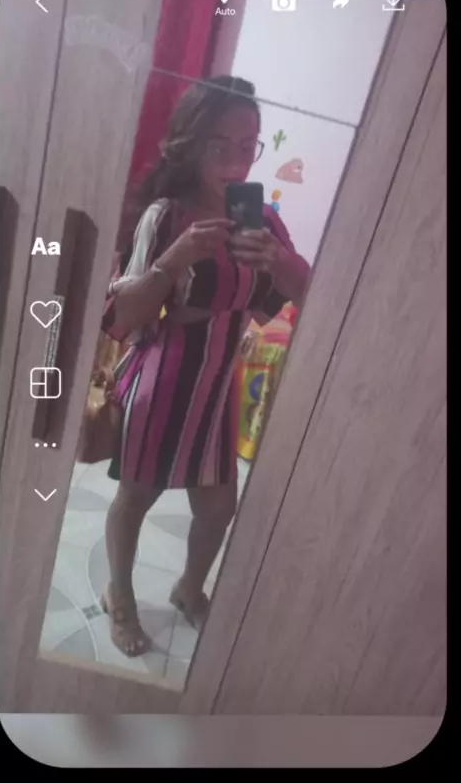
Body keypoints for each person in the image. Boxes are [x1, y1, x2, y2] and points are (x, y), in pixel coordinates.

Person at [101, 75, 310, 656]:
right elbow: (122, 318)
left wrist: (282, 261)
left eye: (248, 146)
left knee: (218, 508)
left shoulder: (261, 220)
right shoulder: (166, 217)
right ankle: (119, 594)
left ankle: (188, 589)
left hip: (219, 388)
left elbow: (308, 295)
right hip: (164, 380)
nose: (237, 161)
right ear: (191, 144)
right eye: (221, 145)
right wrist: (173, 261)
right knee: (136, 498)